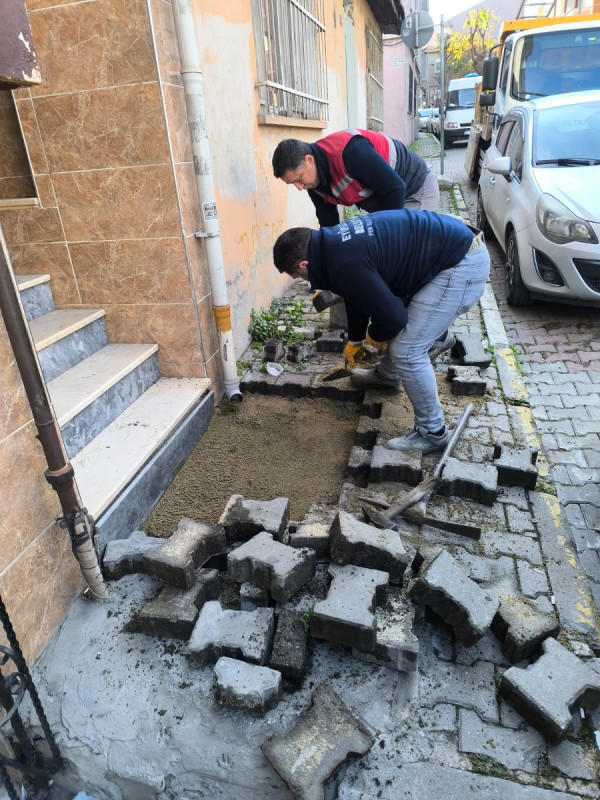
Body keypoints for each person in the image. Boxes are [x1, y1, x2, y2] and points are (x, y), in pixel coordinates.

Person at [272, 210, 490, 454]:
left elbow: (394, 318)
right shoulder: (332, 247)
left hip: (461, 264)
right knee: (401, 333)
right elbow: (354, 292)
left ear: (304, 264)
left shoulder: (344, 263)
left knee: (407, 350)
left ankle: (433, 432)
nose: (305, 280)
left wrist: (374, 336)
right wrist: (356, 339)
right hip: (449, 251)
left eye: (300, 276)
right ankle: (388, 376)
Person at [272, 129, 451, 360]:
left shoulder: (349, 152)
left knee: (397, 273)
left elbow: (395, 188)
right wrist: (328, 275)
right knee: (366, 272)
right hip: (385, 200)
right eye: (293, 184)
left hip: (413, 189)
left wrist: (386, 247)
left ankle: (434, 336)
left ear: (308, 159)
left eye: (298, 179)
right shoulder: (314, 184)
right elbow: (330, 231)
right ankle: (393, 349)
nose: (299, 186)